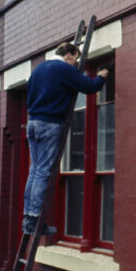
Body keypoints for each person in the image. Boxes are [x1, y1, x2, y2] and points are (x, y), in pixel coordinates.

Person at [22, 42, 108, 235]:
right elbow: (89, 86)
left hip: (33, 123)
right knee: (43, 171)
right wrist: (101, 77)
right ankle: (35, 220)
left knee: (34, 170)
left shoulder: (38, 69)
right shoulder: (62, 68)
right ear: (68, 54)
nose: (76, 62)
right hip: (49, 123)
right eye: (75, 58)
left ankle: (28, 218)